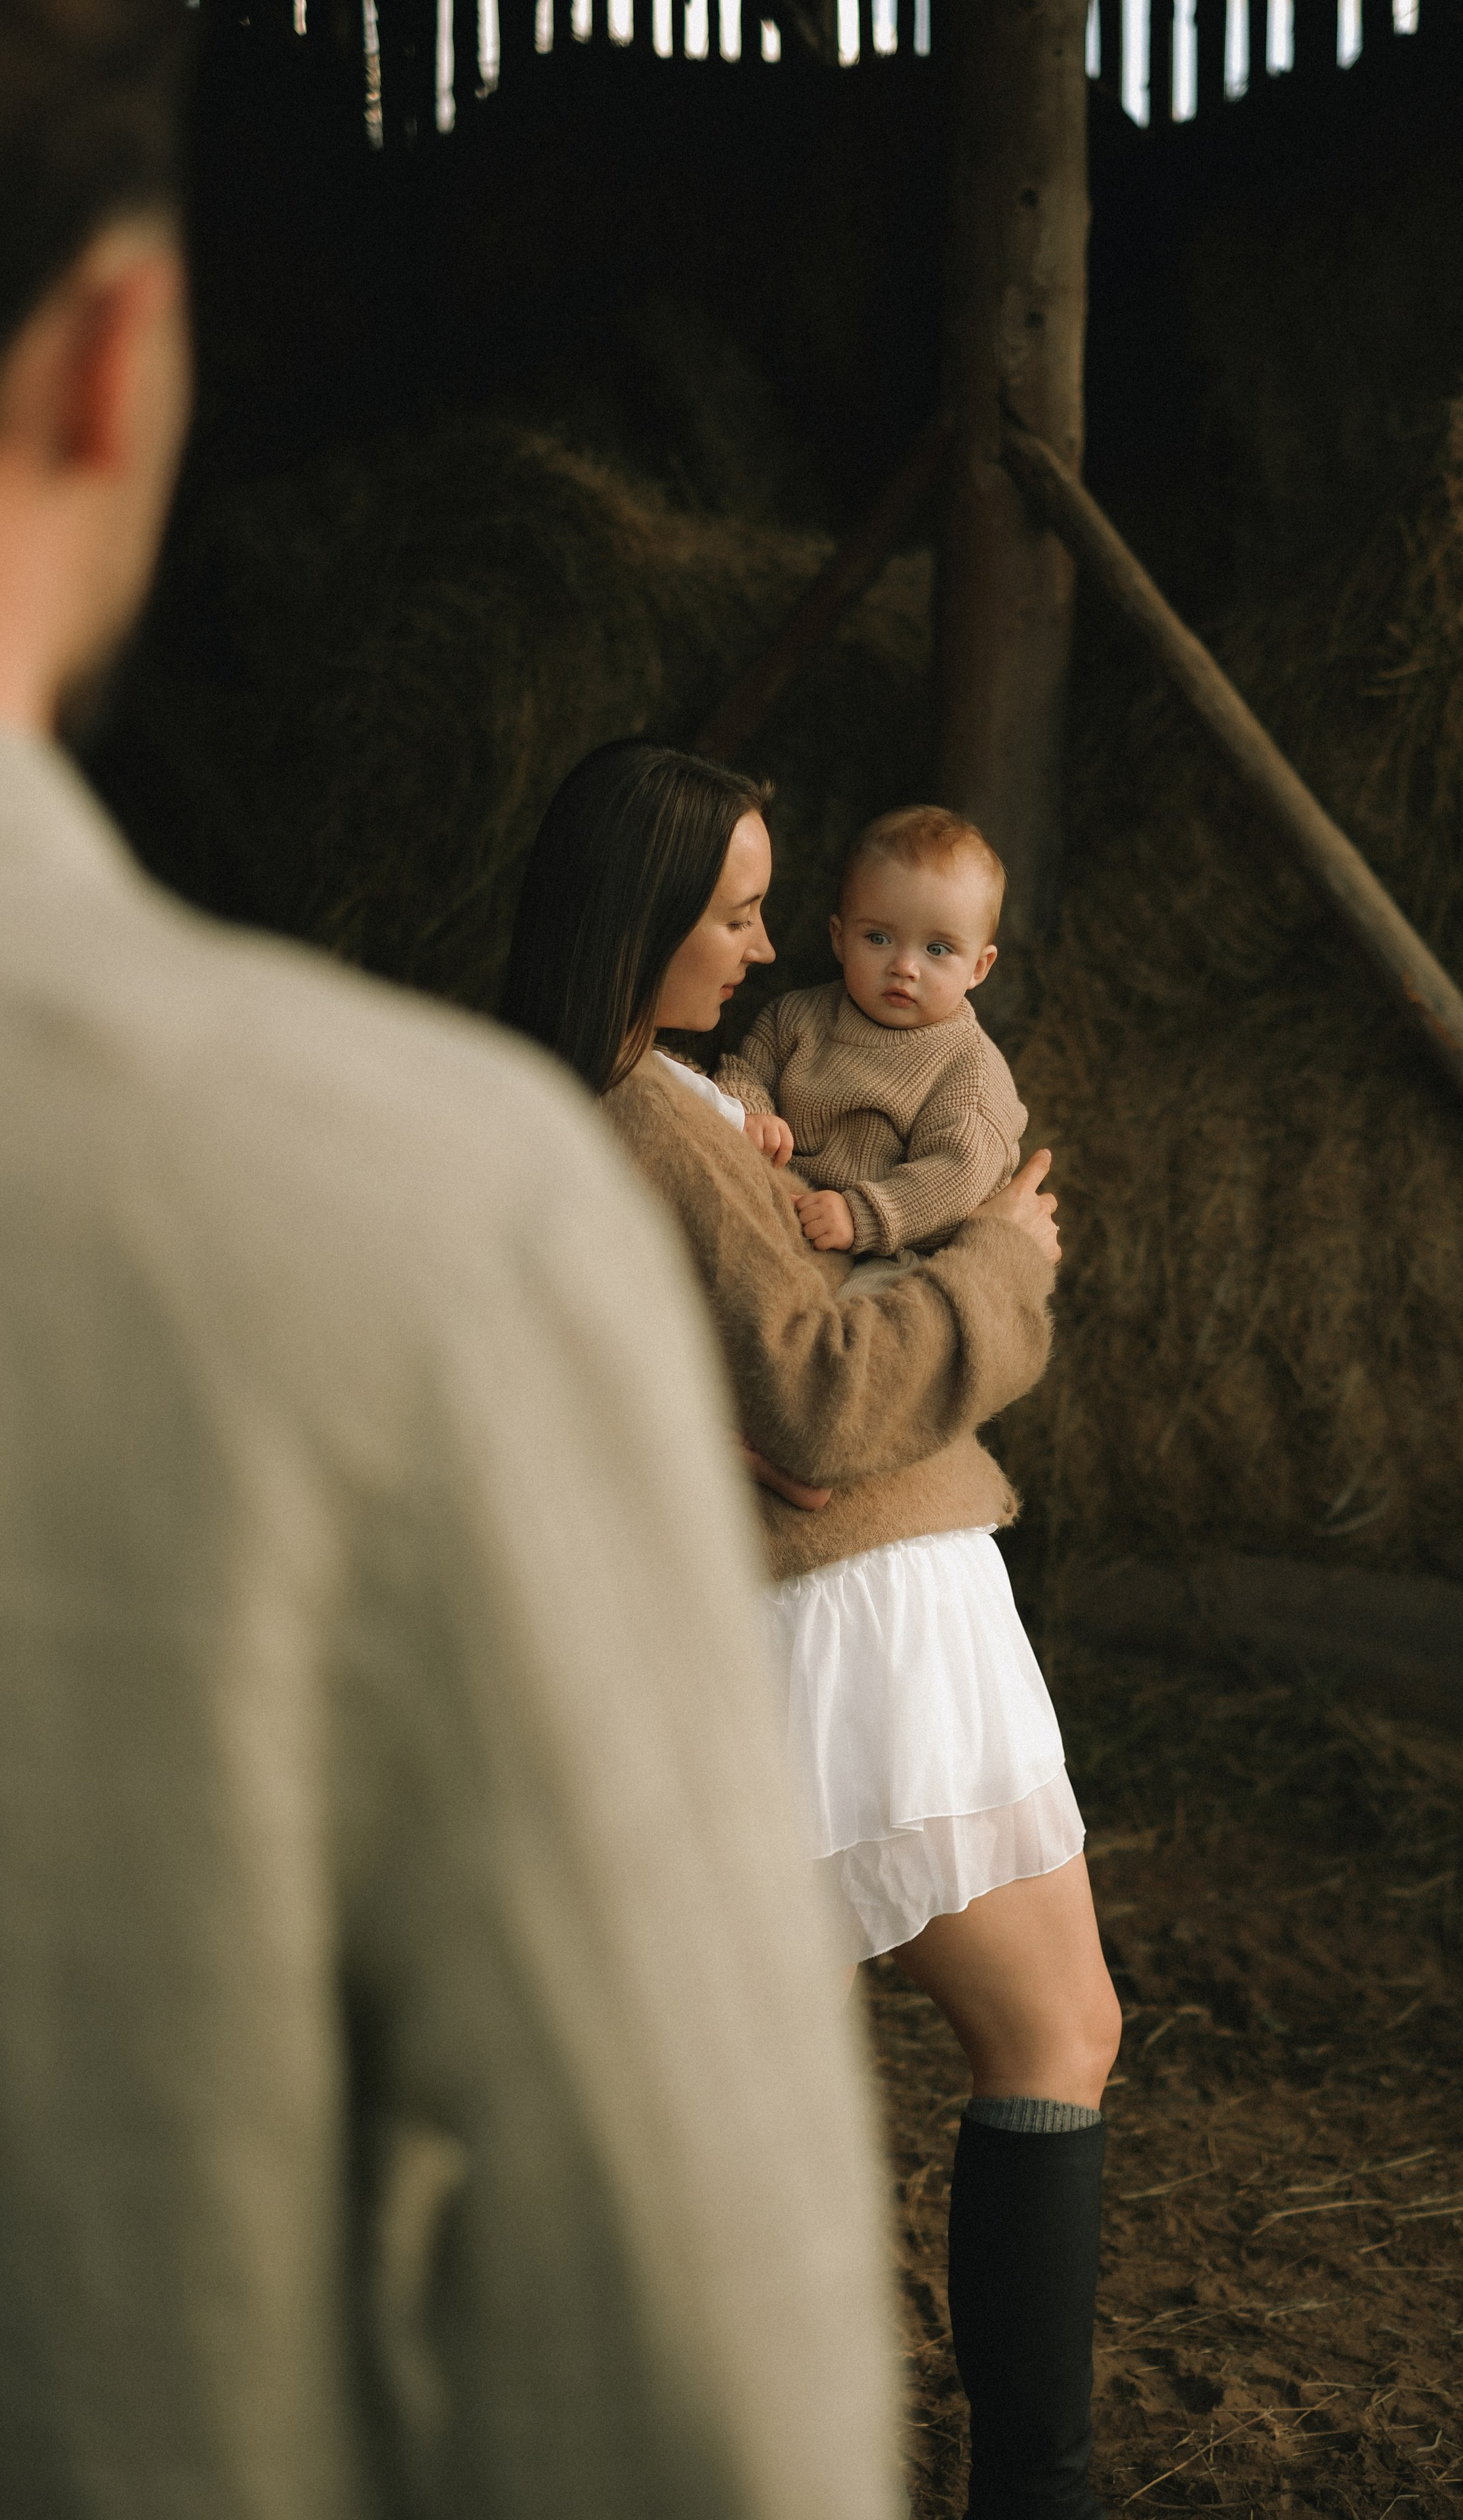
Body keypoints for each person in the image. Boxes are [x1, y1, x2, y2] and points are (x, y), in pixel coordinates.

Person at [0, 5, 901, 2513]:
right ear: (115, 365)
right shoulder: (432, 1236)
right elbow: (701, 2396)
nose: (761, 946)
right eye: (727, 913)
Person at [501, 740, 1125, 2520]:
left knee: (788, 2075)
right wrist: (1007, 1256)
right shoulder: (645, 1116)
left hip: (857, 1594)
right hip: (863, 1611)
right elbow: (826, 1394)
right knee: (1050, 2036)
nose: (768, 950)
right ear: (645, 919)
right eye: (742, 913)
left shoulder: (662, 1102)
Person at [716, 805, 1025, 1269]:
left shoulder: (968, 1074)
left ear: (979, 967)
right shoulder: (795, 1018)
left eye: (937, 949)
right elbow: (744, 1069)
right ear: (839, 939)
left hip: (893, 1249)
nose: (905, 966)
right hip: (785, 1211)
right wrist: (750, 1109)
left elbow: (955, 1178)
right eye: (878, 938)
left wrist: (862, 1215)